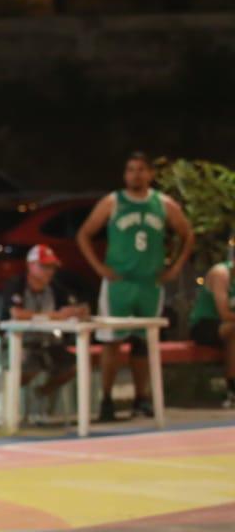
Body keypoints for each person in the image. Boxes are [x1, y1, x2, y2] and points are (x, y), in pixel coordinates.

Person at [76, 152, 194, 422]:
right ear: (125, 175)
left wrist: (175, 267)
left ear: (150, 174)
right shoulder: (113, 202)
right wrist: (98, 268)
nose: (135, 175)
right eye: (130, 170)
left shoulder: (162, 204)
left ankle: (142, 398)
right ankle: (106, 399)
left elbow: (187, 234)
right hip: (119, 283)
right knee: (112, 342)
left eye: (141, 170)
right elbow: (84, 234)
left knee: (143, 342)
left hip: (149, 283)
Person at [0, 245, 87, 424]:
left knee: (75, 366)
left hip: (47, 343)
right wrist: (53, 316)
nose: (49, 272)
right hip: (16, 343)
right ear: (31, 265)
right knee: (28, 364)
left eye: (52, 267)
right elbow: (17, 313)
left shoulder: (56, 288)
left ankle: (41, 396)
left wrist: (76, 311)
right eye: (44, 267)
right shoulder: (16, 284)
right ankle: (5, 405)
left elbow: (71, 307)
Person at [188, 244, 235, 409]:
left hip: (227, 326)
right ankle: (231, 389)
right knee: (232, 330)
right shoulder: (221, 273)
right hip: (204, 325)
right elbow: (224, 313)